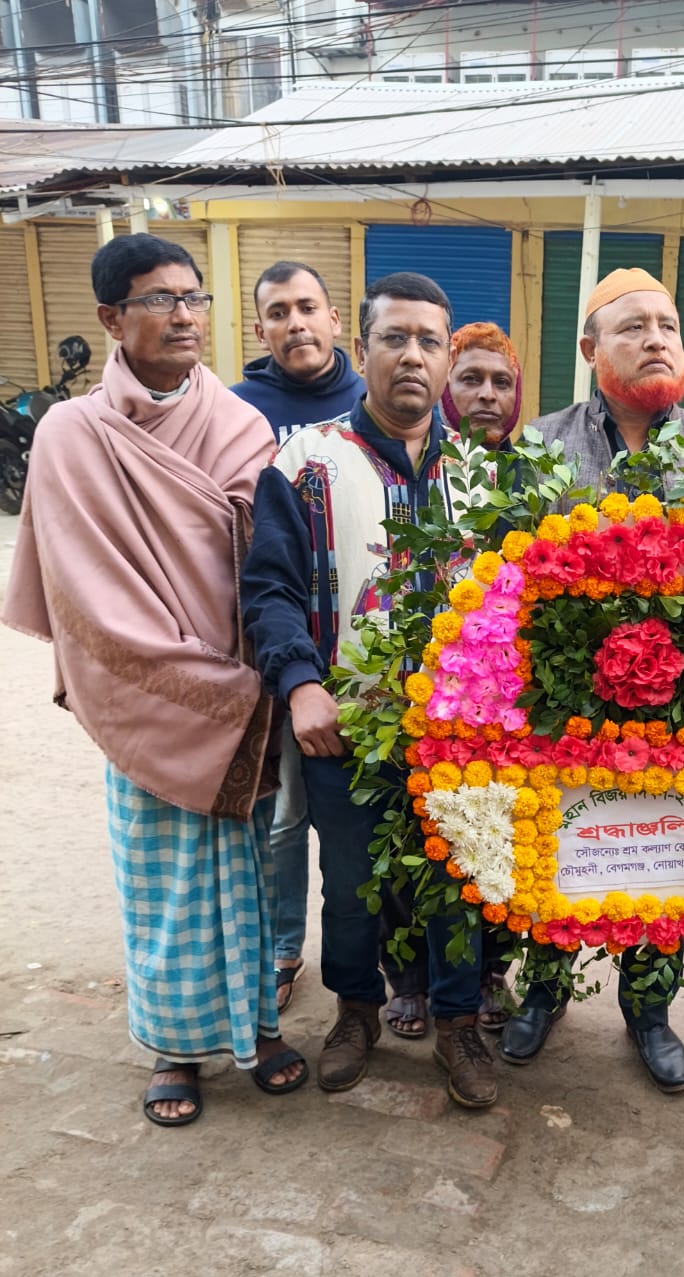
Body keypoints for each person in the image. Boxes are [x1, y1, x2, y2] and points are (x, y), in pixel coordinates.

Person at [2, 233, 307, 1126]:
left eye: (193, 297)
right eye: (159, 299)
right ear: (111, 317)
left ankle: (259, 1028)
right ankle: (175, 1047)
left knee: (252, 869)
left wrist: (249, 674)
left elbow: (267, 560)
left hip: (243, 682)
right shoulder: (71, 434)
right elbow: (83, 589)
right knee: (162, 878)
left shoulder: (239, 423)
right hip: (146, 689)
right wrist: (179, 675)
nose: (183, 315)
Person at [499, 265, 684, 1095]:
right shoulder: (540, 443)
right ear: (590, 349)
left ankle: (649, 1008)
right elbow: (509, 580)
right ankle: (544, 991)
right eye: (633, 326)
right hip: (564, 709)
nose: (656, 340)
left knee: (661, 854)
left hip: (679, 712)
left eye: (668, 326)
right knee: (558, 850)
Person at [242, 271, 494, 1109]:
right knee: (351, 886)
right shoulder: (304, 463)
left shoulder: (483, 477)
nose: (413, 356)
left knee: (459, 880)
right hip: (344, 728)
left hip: (459, 737)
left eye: (430, 341)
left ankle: (458, 1021)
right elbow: (270, 588)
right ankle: (356, 1010)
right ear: (363, 346)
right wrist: (300, 683)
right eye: (395, 337)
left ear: (447, 357)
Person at [380, 320, 526, 1043]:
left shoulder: (531, 476)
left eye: (501, 382)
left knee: (497, 837)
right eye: (470, 379)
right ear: (445, 388)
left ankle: (490, 970)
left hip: (506, 701)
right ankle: (407, 979)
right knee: (407, 834)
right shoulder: (419, 466)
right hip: (415, 688)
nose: (486, 395)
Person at [232, 261, 366, 1017]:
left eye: (308, 307)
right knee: (282, 817)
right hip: (275, 643)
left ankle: (384, 963)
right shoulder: (239, 411)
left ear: (335, 318)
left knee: (366, 823)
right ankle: (285, 948)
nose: (296, 323)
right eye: (278, 312)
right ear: (260, 329)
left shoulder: (369, 399)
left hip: (361, 653)